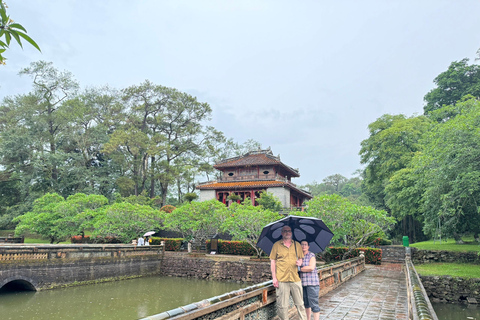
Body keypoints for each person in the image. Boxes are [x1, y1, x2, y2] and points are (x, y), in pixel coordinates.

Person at [270, 225, 307, 320]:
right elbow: (273, 261)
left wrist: (300, 262)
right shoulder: (276, 245)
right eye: (285, 231)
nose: (287, 232)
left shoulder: (297, 245)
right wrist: (274, 278)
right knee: (282, 306)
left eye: (289, 231)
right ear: (282, 233)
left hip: (295, 279)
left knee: (300, 304)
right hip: (282, 279)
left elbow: (301, 258)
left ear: (292, 232)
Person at [300, 241, 321, 320]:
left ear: (308, 247)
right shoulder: (299, 256)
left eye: (305, 244)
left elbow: (311, 267)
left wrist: (300, 269)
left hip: (312, 283)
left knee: (314, 304)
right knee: (306, 304)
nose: (303, 246)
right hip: (302, 283)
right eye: (302, 244)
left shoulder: (311, 255)